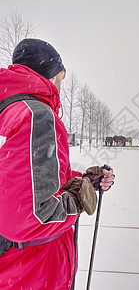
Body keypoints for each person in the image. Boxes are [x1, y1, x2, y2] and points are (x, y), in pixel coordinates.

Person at [0, 38, 115, 290]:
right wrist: (76, 199)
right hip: (33, 269)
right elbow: (29, 217)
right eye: (60, 73)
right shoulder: (37, 116)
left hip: (18, 268)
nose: (61, 81)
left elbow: (34, 179)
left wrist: (83, 179)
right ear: (47, 75)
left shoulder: (13, 111)